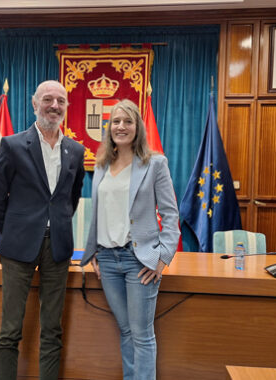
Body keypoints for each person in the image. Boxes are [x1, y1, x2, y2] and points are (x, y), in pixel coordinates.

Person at [0, 80, 85, 380]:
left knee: (52, 329)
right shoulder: (13, 145)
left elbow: (72, 198)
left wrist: (55, 226)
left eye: (60, 101)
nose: (54, 106)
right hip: (18, 248)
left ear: (67, 107)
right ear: (35, 104)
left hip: (57, 248)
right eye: (47, 100)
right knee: (10, 330)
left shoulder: (76, 150)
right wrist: (17, 232)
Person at [80, 99, 180, 380]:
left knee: (142, 334)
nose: (121, 127)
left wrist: (162, 259)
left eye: (128, 121)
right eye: (116, 122)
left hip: (139, 260)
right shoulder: (101, 165)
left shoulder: (155, 164)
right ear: (108, 127)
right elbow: (100, 214)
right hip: (107, 261)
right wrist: (95, 253)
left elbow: (171, 216)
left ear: (138, 128)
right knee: (125, 330)